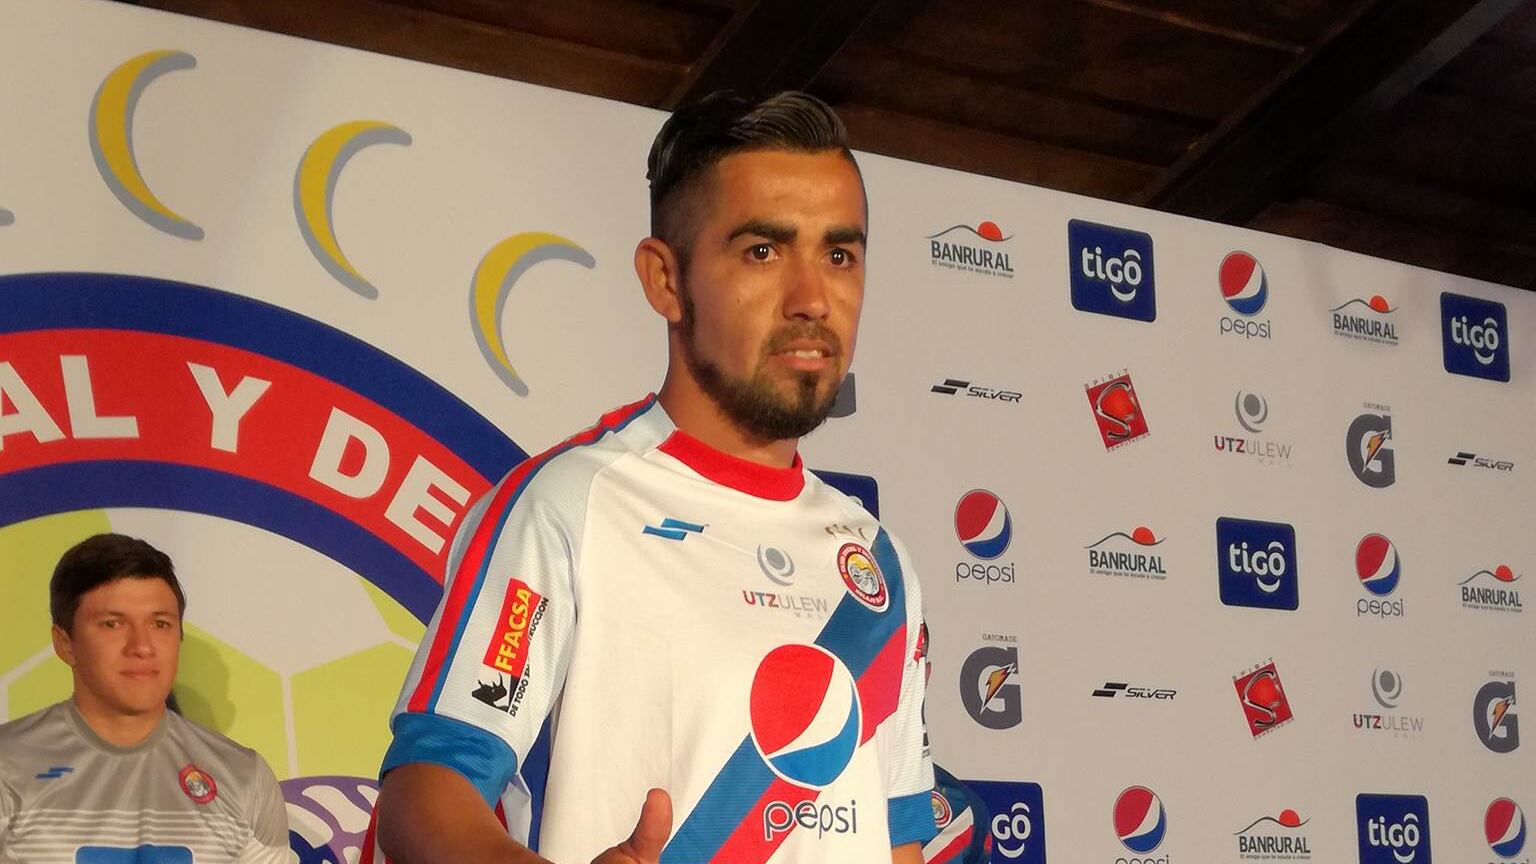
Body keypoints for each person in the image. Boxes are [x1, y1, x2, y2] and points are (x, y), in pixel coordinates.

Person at [372, 90, 935, 863]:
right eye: (763, 251)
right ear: (665, 280)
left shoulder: (878, 559)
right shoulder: (570, 504)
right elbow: (427, 790)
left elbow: (899, 837)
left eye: (839, 255)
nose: (812, 299)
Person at [0, 533, 289, 862]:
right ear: (65, 644)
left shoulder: (244, 778)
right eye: (113, 624)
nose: (142, 646)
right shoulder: (7, 765)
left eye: (160, 624)